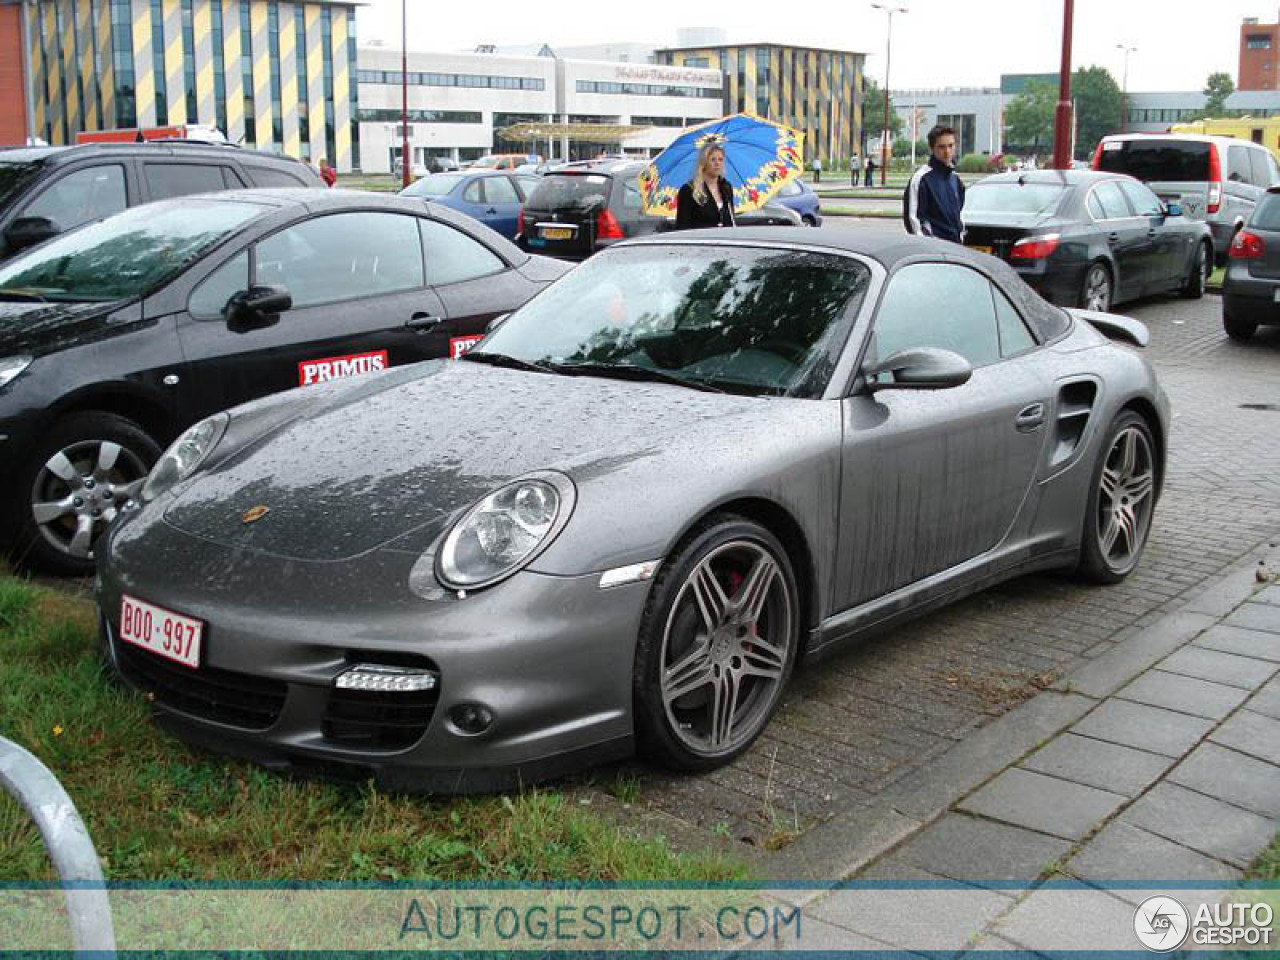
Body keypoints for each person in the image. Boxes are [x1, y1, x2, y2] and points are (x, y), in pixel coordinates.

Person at [903, 124, 965, 244]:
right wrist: (930, 248)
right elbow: (913, 220)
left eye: (950, 146)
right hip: (933, 252)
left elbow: (959, 213)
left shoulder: (955, 179)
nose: (947, 152)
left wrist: (960, 236)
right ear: (932, 148)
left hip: (956, 249)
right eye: (941, 147)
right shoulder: (921, 179)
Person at [675, 143, 736, 229]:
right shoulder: (689, 190)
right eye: (713, 160)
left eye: (720, 159)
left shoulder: (726, 187)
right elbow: (682, 225)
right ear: (704, 163)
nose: (717, 163)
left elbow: (730, 220)